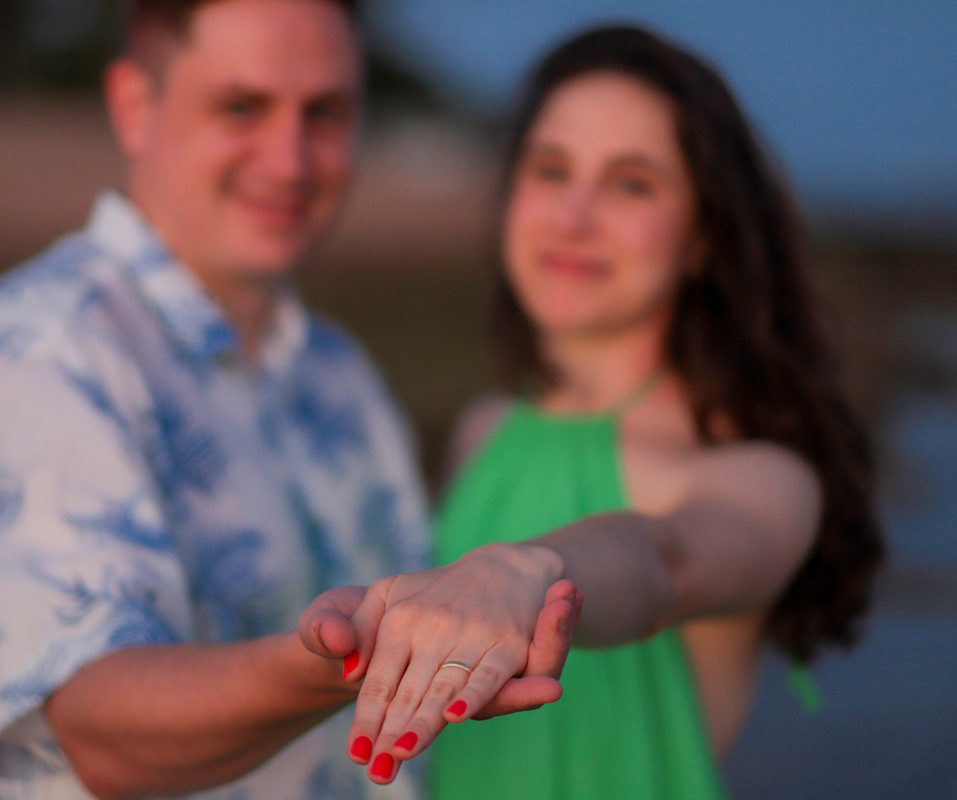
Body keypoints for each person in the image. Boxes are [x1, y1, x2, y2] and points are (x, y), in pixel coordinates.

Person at [0, 1, 579, 798]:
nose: (290, 161)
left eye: (324, 113)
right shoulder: (42, 349)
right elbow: (102, 736)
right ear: (134, 107)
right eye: (242, 107)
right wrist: (359, 652)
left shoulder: (338, 369)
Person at [372, 24, 881, 799]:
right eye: (550, 170)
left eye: (631, 182)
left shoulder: (759, 474)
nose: (573, 216)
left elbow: (663, 560)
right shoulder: (486, 427)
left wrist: (523, 572)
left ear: (705, 234)